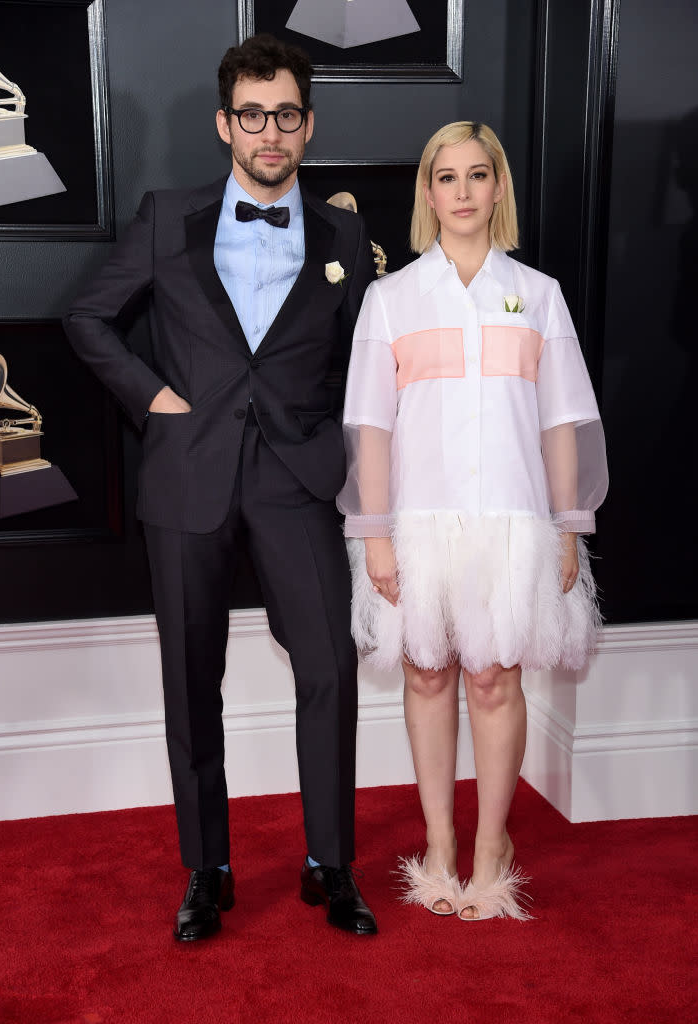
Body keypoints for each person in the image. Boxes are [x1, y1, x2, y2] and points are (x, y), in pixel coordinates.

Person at [64, 34, 378, 940]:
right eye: (252, 114)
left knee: (328, 670)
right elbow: (88, 317)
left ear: (307, 125)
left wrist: (336, 440)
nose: (269, 131)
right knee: (190, 679)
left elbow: (365, 356)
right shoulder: (169, 216)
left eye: (286, 114)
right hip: (188, 476)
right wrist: (154, 400)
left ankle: (331, 865)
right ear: (223, 124)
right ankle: (209, 870)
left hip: (296, 480)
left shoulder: (345, 234)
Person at [337, 121, 608, 920]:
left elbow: (562, 421)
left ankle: (492, 842)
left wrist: (567, 525)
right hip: (414, 525)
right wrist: (375, 536)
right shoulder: (389, 300)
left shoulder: (539, 296)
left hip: (513, 524)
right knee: (426, 672)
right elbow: (369, 429)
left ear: (497, 189)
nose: (461, 192)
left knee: (494, 678)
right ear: (428, 193)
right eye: (445, 177)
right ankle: (440, 843)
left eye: (476, 175)